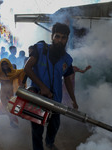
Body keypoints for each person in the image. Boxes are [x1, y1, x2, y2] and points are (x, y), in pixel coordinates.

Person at [24, 22, 78, 150]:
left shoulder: (67, 59)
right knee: (37, 128)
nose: (60, 40)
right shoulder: (41, 49)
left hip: (55, 98)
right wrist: (42, 87)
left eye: (63, 38)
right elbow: (27, 68)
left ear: (67, 39)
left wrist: (73, 99)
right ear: (52, 37)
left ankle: (49, 143)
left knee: (54, 125)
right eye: (57, 37)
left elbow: (68, 80)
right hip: (38, 96)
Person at [0, 58, 25, 128]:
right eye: (3, 64)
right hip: (3, 94)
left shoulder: (13, 73)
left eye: (6, 64)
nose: (5, 65)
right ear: (1, 66)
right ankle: (11, 123)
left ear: (9, 65)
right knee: (9, 108)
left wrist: (21, 82)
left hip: (11, 93)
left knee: (11, 108)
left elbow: (23, 71)